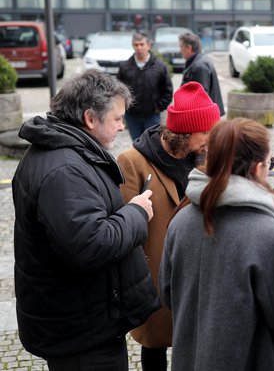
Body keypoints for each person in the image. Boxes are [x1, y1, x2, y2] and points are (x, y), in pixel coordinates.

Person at [12, 69, 160, 371]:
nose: (122, 127)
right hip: (81, 333)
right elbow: (90, 245)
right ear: (90, 118)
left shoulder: (64, 153)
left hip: (81, 321)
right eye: (117, 119)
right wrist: (136, 213)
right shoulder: (65, 169)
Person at [159, 118, 274, 371]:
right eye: (270, 162)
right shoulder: (267, 232)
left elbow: (169, 294)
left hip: (191, 360)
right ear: (257, 168)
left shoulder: (180, 219)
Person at [117, 81, 220, 371]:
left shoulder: (204, 158)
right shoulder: (132, 162)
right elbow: (124, 228)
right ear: (184, 132)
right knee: (155, 347)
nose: (210, 139)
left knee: (197, 347)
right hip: (154, 276)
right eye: (205, 132)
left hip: (198, 272)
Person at [118, 32, 173, 140]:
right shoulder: (125, 67)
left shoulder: (159, 66)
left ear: (149, 45)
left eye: (142, 44)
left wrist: (158, 107)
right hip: (132, 116)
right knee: (137, 145)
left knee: (152, 145)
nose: (139, 48)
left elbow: (168, 90)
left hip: (152, 116)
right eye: (136, 45)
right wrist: (123, 108)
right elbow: (119, 90)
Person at [178, 31, 225, 116]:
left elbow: (202, 97)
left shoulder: (200, 66)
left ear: (189, 48)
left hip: (202, 120)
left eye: (181, 47)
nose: (179, 51)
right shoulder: (197, 62)